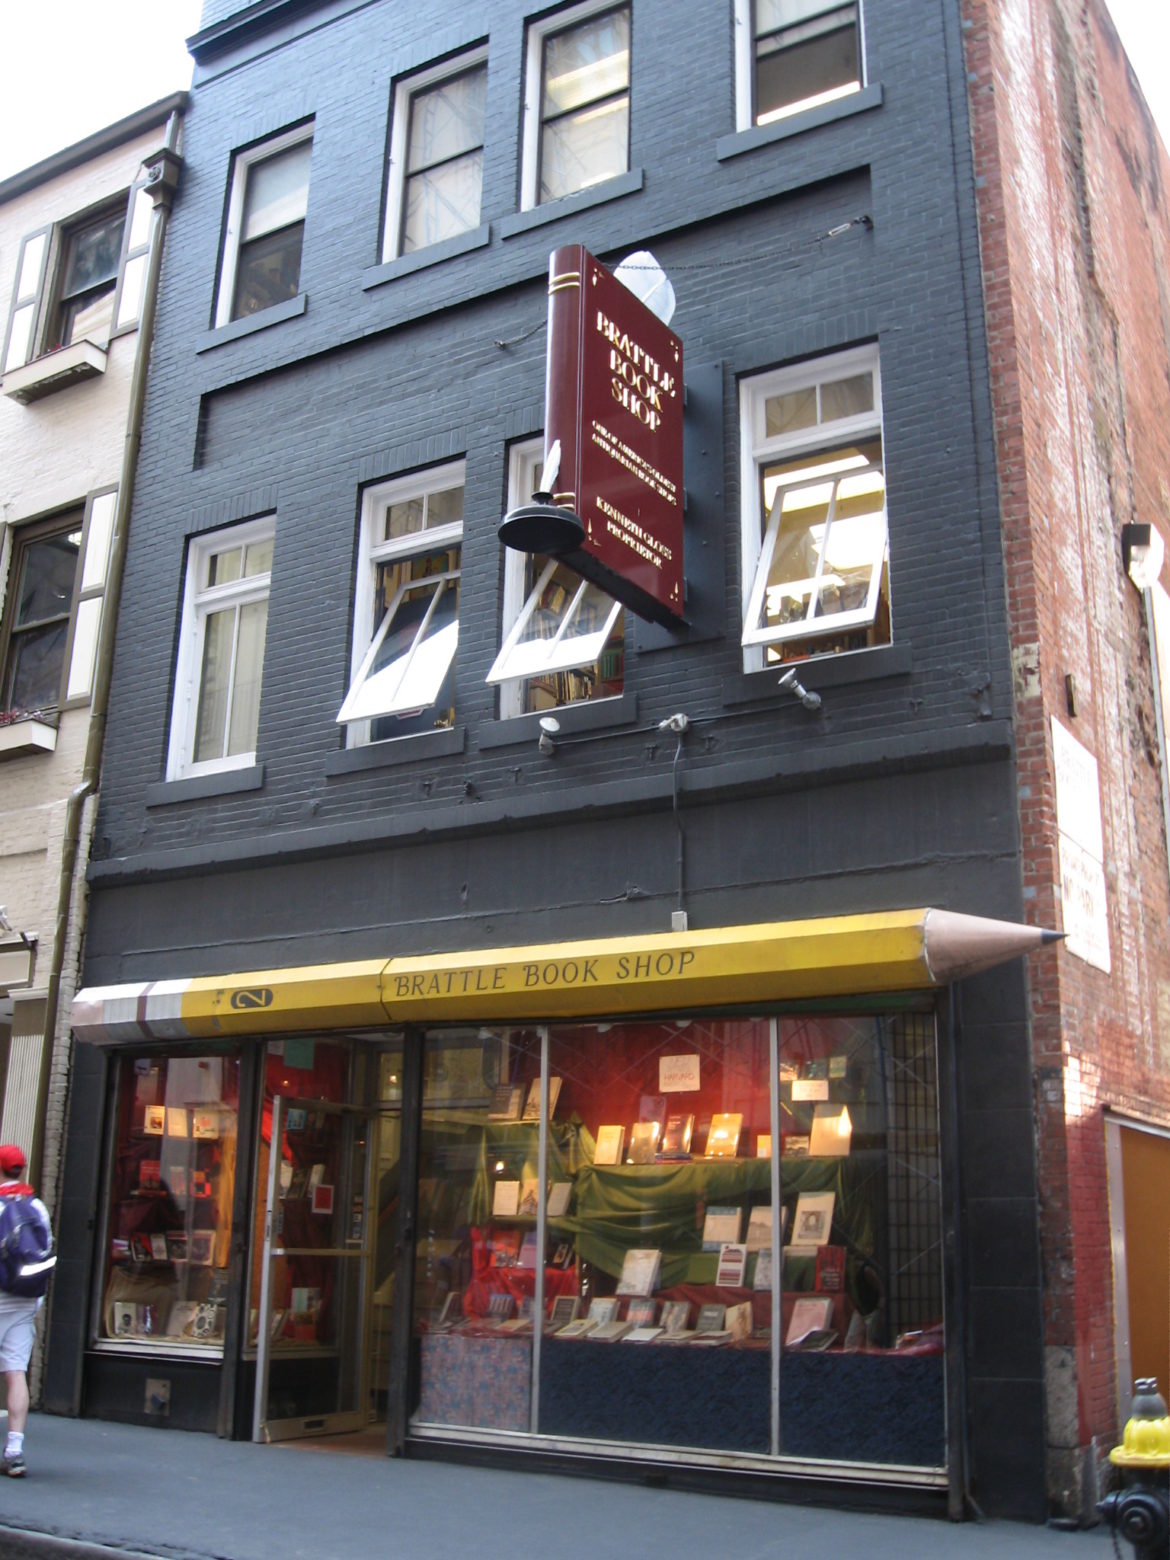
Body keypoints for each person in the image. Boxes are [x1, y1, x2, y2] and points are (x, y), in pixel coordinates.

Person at [0, 1144, 51, 1477]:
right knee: (16, 1371)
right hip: (24, 1299)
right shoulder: (37, 1207)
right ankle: (15, 1450)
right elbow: (45, 1252)